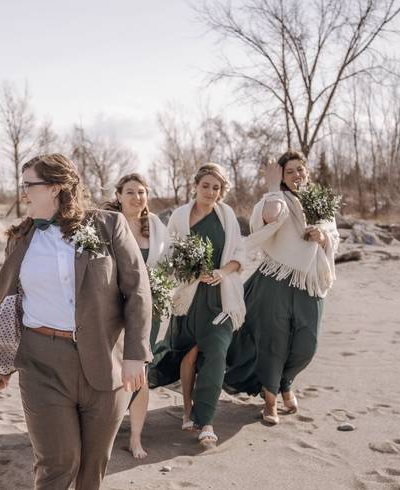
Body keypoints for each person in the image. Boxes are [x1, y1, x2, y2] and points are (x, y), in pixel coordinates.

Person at [0, 153, 151, 490]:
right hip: (41, 361)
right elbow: (7, 300)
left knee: (94, 459)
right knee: (57, 459)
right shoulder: (22, 236)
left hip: (104, 359)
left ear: (56, 187)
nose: (23, 192)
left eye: (30, 184)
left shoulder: (108, 226)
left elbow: (138, 291)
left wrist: (136, 353)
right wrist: (0, 358)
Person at [225, 151, 340, 423]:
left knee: (306, 345)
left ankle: (284, 383)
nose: (298, 175)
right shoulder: (275, 199)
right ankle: (270, 399)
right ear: (282, 176)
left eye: (301, 169)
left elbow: (334, 236)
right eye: (290, 171)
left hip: (309, 282)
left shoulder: (320, 203)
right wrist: (274, 187)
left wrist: (323, 236)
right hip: (275, 282)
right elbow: (270, 217)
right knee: (272, 343)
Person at [147, 163, 246, 448]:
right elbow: (169, 256)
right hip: (189, 298)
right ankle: (188, 411)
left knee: (215, 354)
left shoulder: (227, 216)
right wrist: (189, 273)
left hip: (221, 299)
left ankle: (207, 422)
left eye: (216, 188)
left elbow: (241, 254)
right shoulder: (179, 216)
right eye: (206, 186)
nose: (211, 192)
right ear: (196, 186)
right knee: (188, 356)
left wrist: (222, 272)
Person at [102, 172, 170, 459]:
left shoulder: (154, 225)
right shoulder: (105, 223)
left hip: (145, 311)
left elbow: (167, 264)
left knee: (141, 370)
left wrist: (158, 286)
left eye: (141, 192)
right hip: (111, 311)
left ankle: (136, 437)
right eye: (130, 192)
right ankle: (106, 430)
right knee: (111, 370)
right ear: (118, 195)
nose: (137, 197)